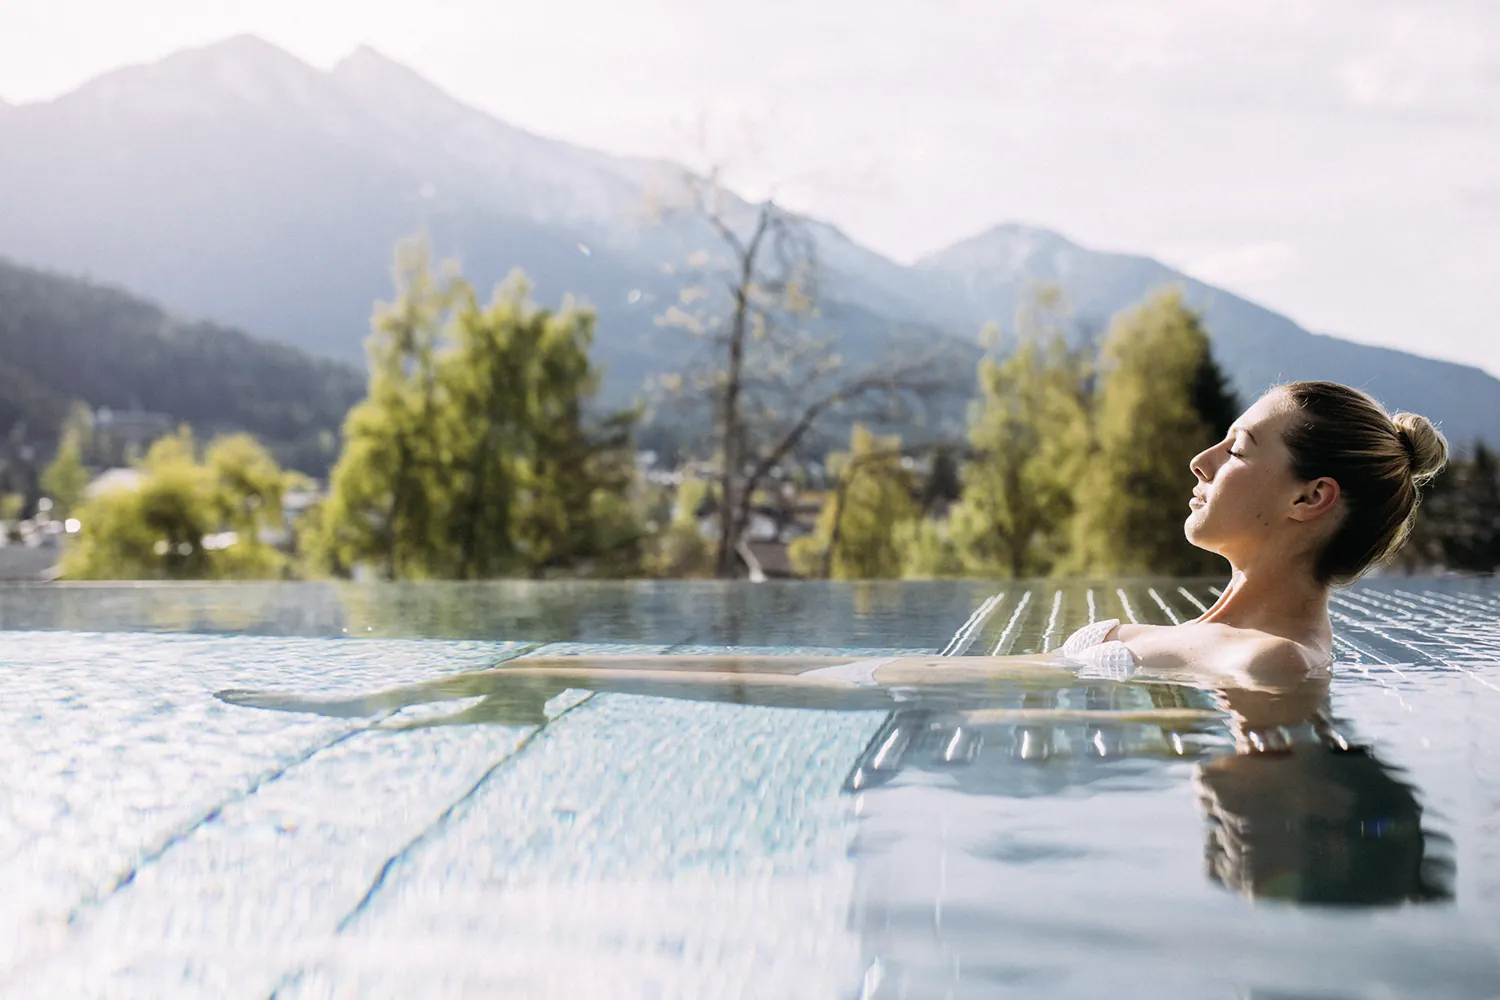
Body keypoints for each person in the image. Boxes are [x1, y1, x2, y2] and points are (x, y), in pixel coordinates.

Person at [219, 379, 1447, 722]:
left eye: (1236, 448)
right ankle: (478, 693)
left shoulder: (1275, 660)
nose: (1201, 461)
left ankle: (412, 697)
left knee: (551, 657)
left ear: (1308, 500)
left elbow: (1274, 697)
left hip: (868, 693)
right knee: (551, 654)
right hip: (882, 688)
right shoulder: (1242, 631)